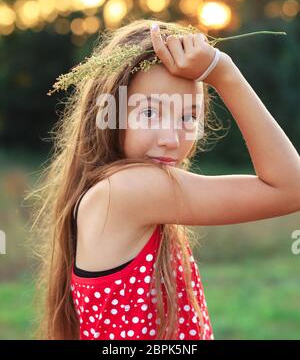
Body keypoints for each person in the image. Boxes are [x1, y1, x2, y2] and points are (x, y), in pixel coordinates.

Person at [28, 19, 300, 340]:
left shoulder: (112, 189)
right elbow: (291, 187)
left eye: (188, 116)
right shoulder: (129, 191)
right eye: (149, 113)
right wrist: (224, 72)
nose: (172, 138)